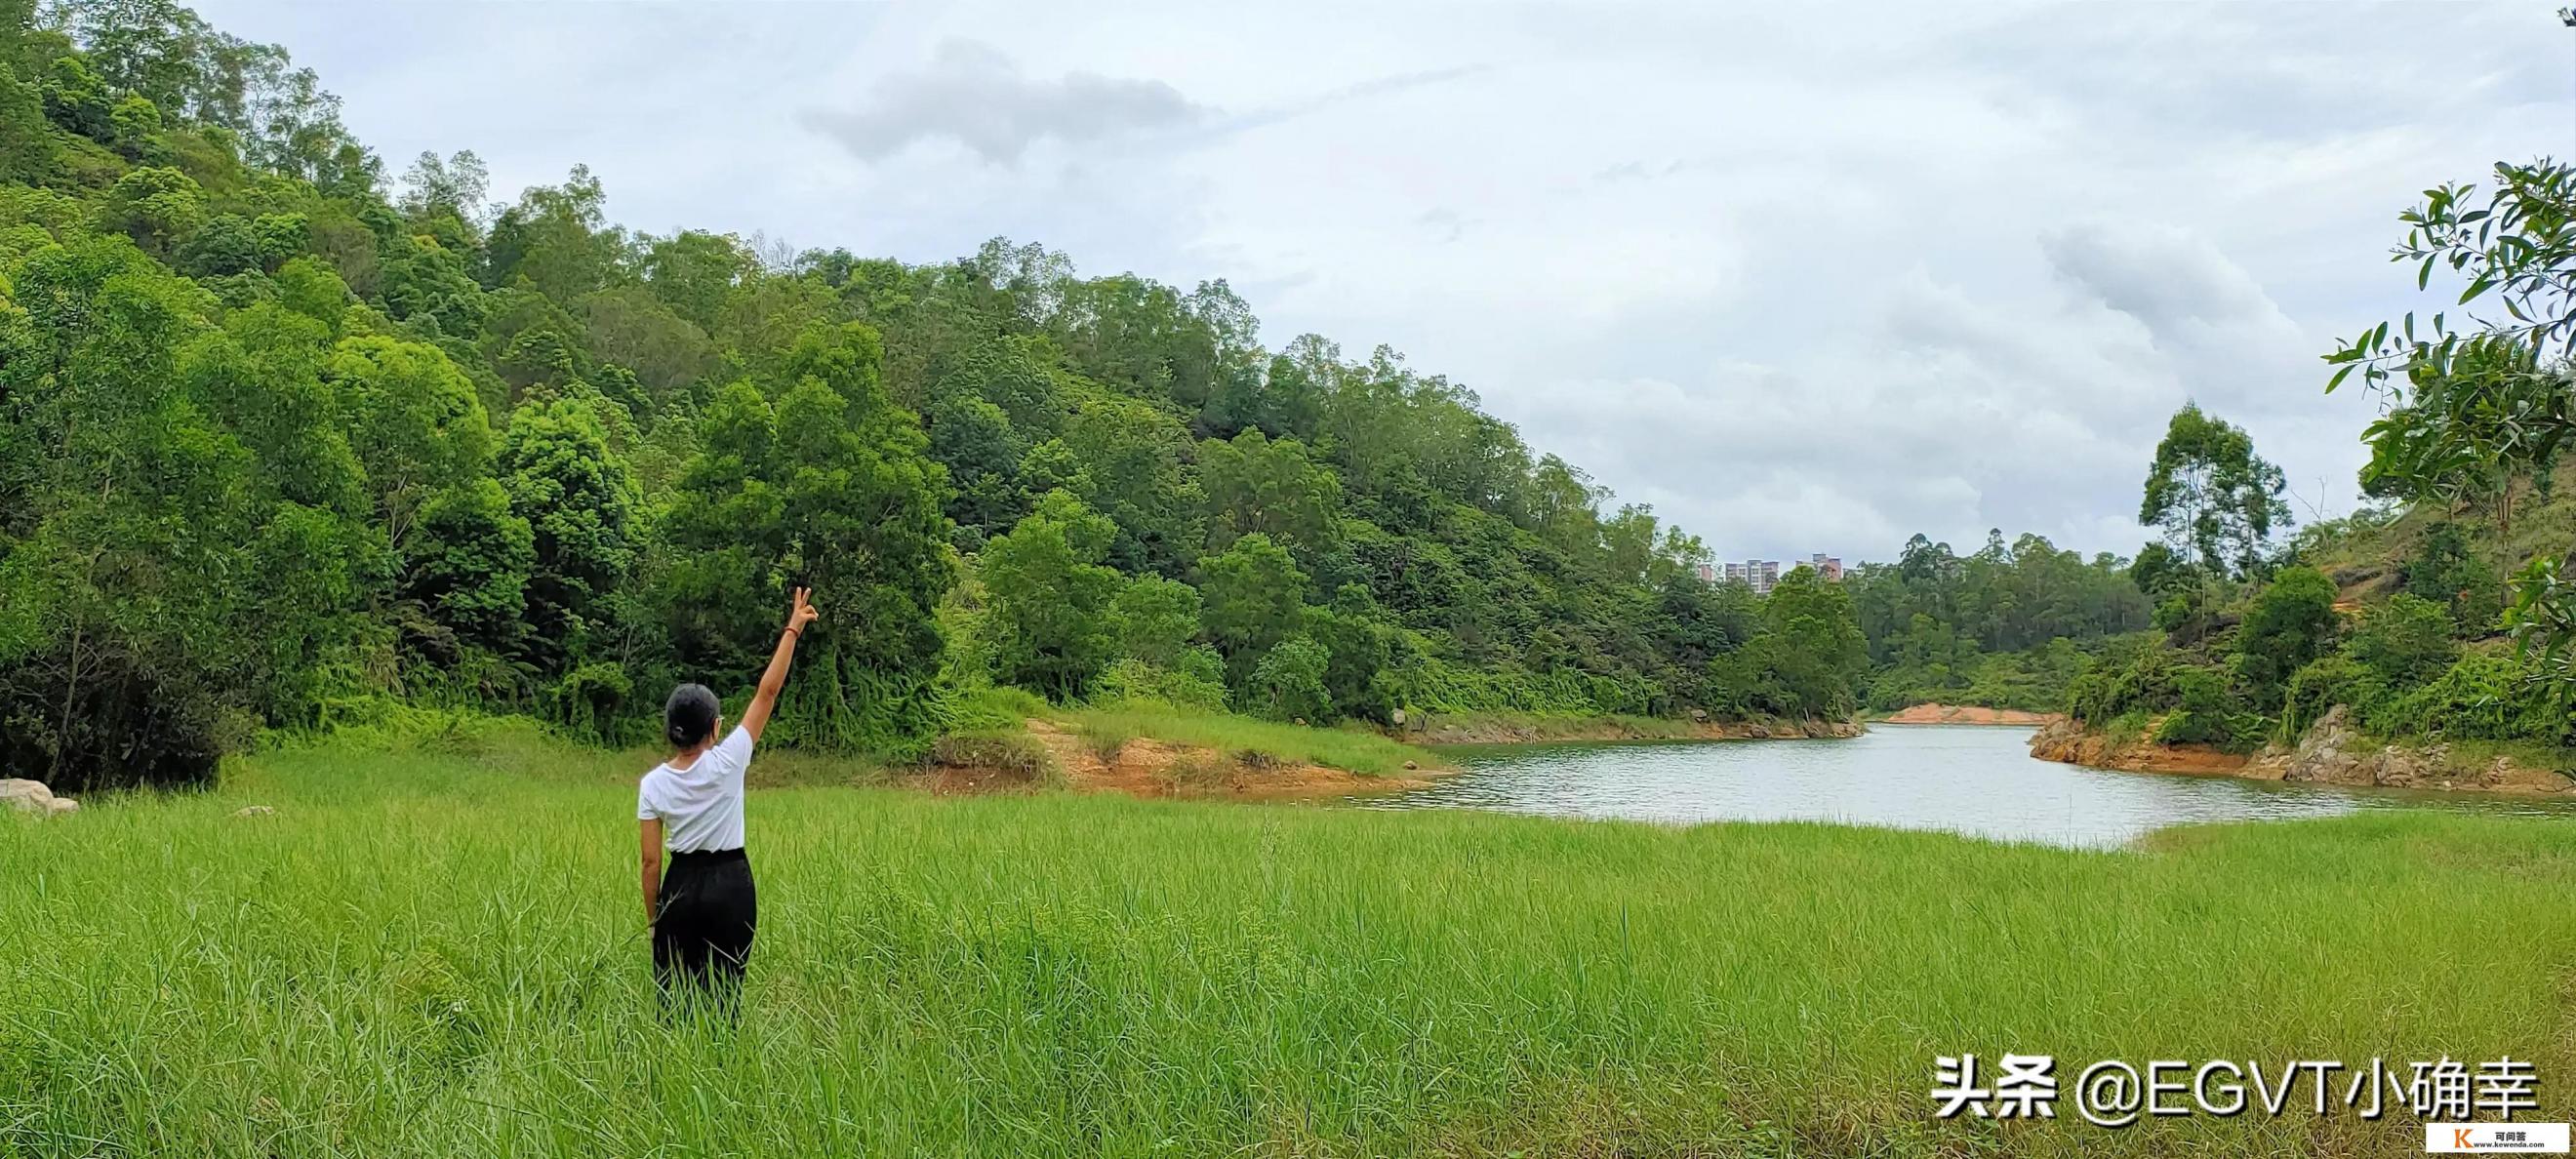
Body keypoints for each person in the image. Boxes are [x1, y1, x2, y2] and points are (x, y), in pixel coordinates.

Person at [637, 586, 820, 1015]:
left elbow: (649, 864)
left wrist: (654, 919)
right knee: (725, 998)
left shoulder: (652, 785)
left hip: (679, 887)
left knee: (675, 999)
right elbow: (766, 693)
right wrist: (792, 629)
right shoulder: (730, 760)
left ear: (669, 729)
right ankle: (722, 1064)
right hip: (731, 884)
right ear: (716, 727)